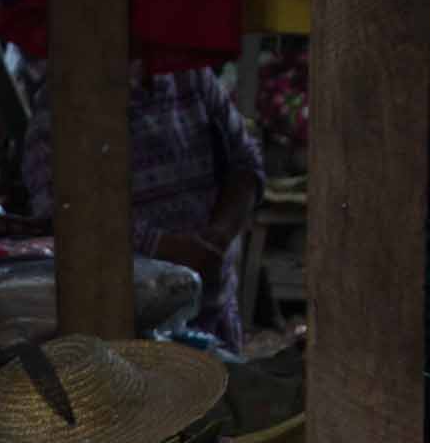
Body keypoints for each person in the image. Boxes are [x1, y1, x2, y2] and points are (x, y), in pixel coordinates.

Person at [17, 59, 266, 350]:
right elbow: (58, 215)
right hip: (124, 330)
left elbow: (246, 163)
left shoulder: (190, 74)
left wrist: (218, 236)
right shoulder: (62, 104)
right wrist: (162, 247)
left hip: (213, 312)